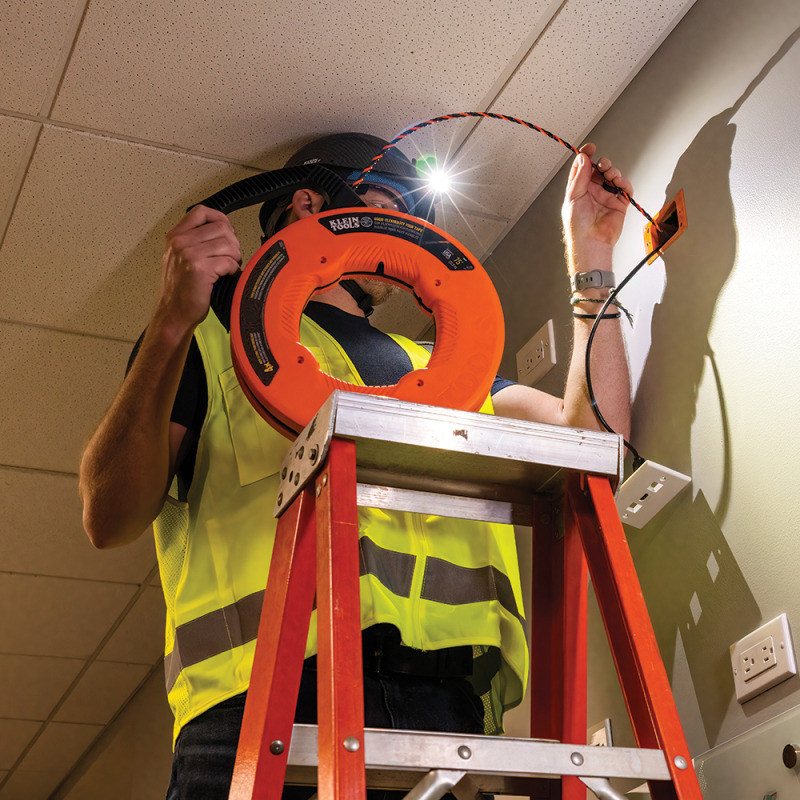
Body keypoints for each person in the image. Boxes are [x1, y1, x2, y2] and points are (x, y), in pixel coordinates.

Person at [79, 132, 632, 799]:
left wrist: (592, 252)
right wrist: (169, 323)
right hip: (257, 715)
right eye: (389, 204)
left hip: (443, 716)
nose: (407, 231)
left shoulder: (448, 369)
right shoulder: (213, 338)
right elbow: (108, 517)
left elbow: (598, 446)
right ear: (310, 203)